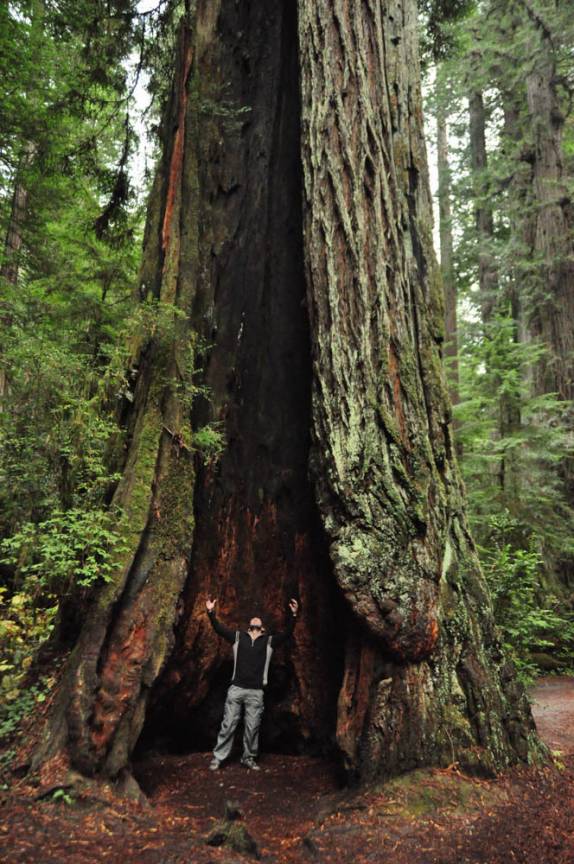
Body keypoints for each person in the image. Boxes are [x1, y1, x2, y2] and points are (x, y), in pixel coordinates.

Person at [205, 596, 299, 771]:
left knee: (252, 727)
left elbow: (287, 634)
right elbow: (219, 629)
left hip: (256, 692)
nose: (256, 618)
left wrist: (294, 615)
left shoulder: (269, 642)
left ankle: (248, 758)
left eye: (259, 619)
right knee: (228, 724)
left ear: (262, 627)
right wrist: (210, 612)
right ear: (249, 625)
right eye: (253, 619)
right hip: (236, 689)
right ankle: (218, 758)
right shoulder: (239, 638)